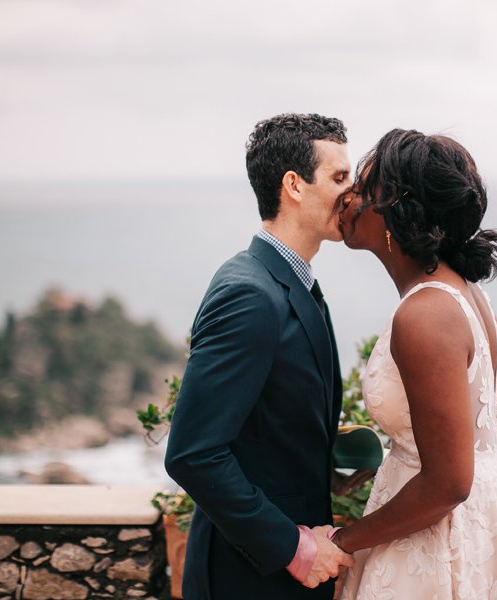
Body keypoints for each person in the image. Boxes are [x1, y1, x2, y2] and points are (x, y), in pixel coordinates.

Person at [334, 129, 497, 598]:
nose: (347, 199)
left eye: (363, 191)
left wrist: (343, 540)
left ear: (396, 210)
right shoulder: (468, 296)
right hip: (490, 517)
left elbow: (448, 484)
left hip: (436, 538)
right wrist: (473, 475)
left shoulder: (423, 315)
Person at [164, 113, 355, 599]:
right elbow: (193, 453)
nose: (353, 193)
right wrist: (295, 549)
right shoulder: (249, 294)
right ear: (294, 185)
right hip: (246, 577)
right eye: (339, 178)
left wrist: (330, 464)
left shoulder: (292, 281)